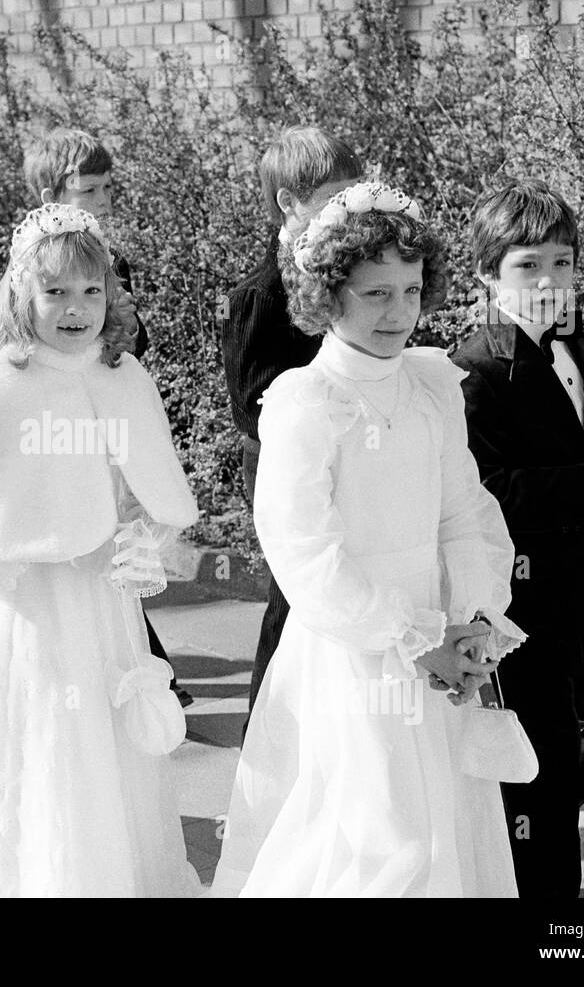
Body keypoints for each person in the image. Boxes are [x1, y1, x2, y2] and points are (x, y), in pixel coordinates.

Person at [0, 203, 201, 897]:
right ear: (22, 292)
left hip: (108, 603)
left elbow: (151, 483)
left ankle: (118, 873)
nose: (75, 309)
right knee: (46, 735)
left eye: (91, 291)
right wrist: (31, 558)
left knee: (109, 739)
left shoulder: (125, 376)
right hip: (35, 610)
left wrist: (144, 537)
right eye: (55, 292)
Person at [211, 182, 524, 897]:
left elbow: (462, 512)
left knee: (444, 823)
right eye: (375, 293)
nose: (400, 312)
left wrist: (475, 621)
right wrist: (415, 639)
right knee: (375, 839)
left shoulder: (434, 386)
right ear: (329, 295)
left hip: (442, 637)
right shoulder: (303, 403)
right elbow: (306, 556)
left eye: (411, 290)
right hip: (353, 652)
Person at [451, 180, 584, 898]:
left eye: (562, 263)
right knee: (546, 754)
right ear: (488, 276)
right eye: (528, 266)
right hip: (523, 596)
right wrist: (582, 483)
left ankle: (511, 823)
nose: (549, 281)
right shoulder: (472, 369)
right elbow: (484, 490)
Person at [22, 127, 191, 706]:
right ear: (51, 195)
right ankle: (129, 669)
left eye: (108, 188)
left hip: (107, 420)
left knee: (119, 547)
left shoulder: (112, 260)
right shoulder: (32, 261)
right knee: (79, 554)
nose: (103, 201)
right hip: (57, 430)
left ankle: (137, 666)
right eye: (89, 189)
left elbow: (127, 341)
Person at [222, 126, 363, 722]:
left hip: (353, 452)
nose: (347, 209)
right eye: (334, 197)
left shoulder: (350, 267)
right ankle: (266, 731)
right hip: (282, 462)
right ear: (289, 204)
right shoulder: (259, 294)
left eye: (352, 194)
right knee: (295, 593)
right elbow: (250, 404)